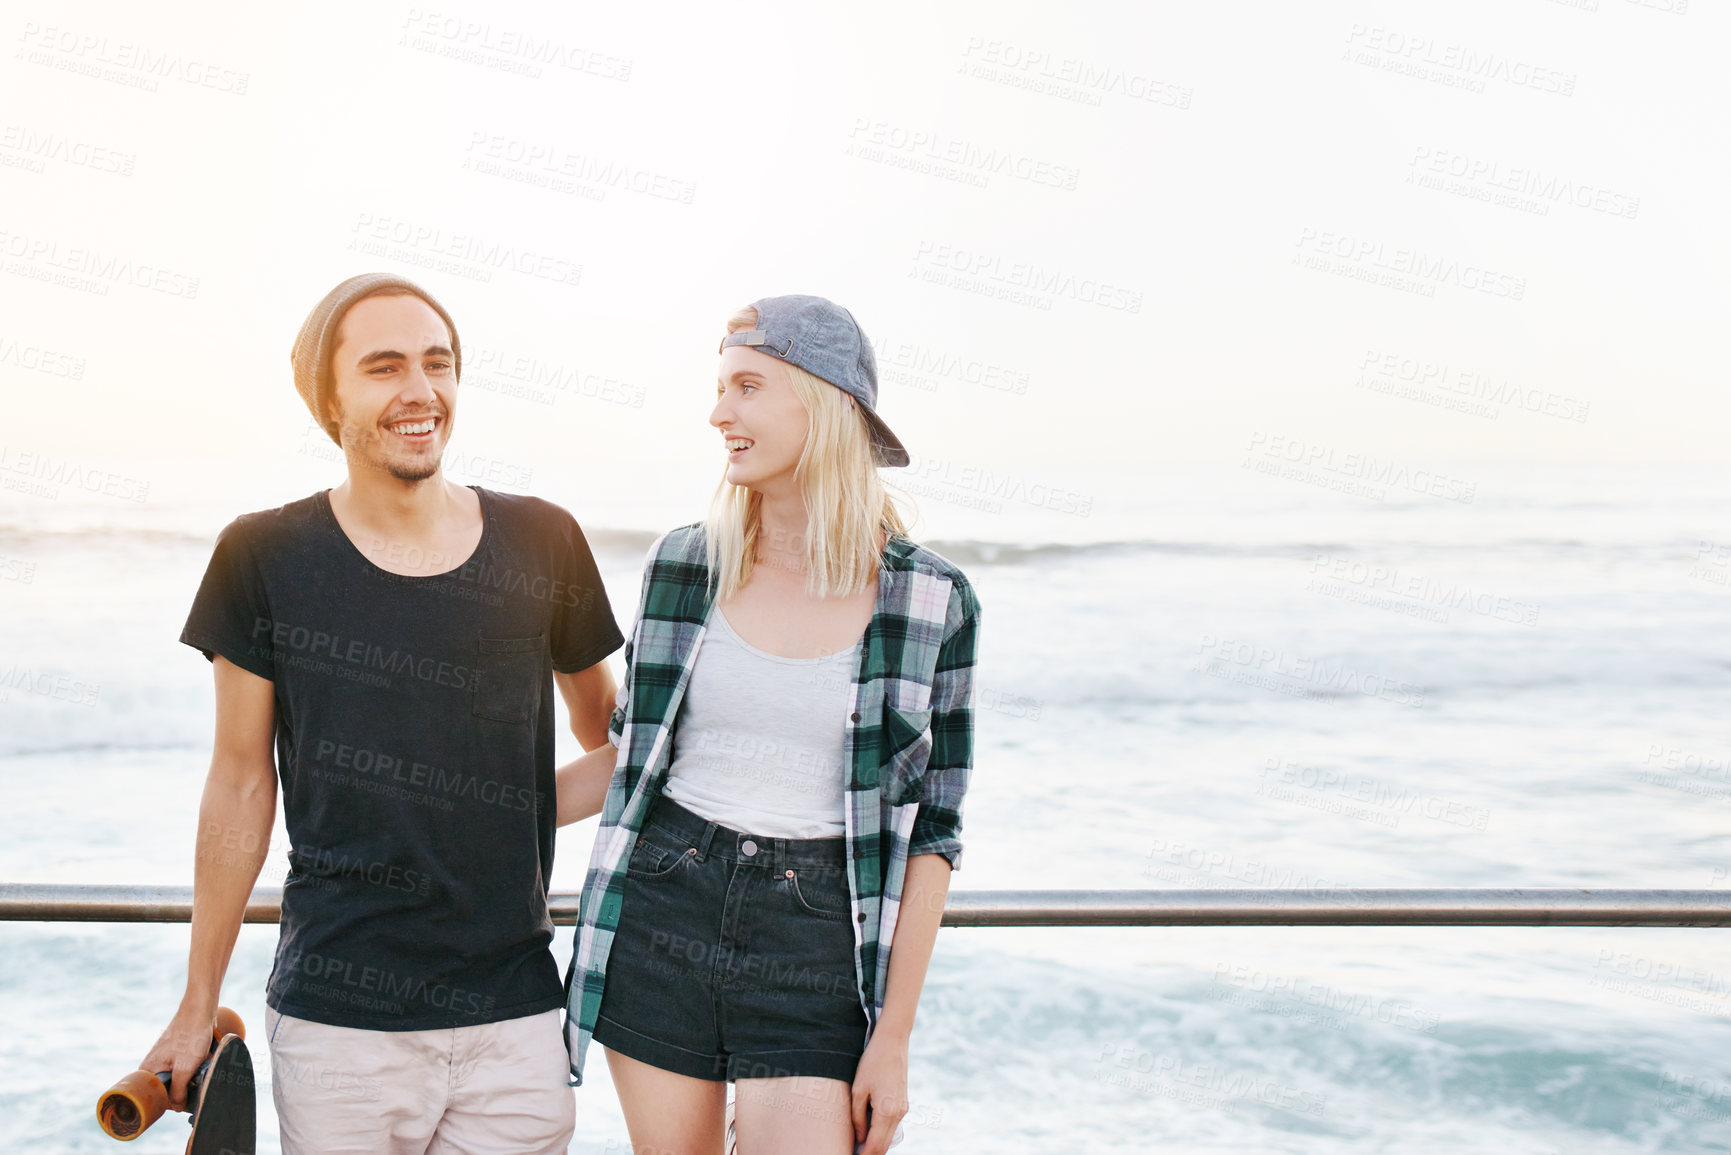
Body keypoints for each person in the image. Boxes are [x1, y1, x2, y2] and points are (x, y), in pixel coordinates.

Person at [143, 272, 624, 1154]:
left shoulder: (542, 538)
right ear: (327, 396)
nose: (420, 390)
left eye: (438, 363)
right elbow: (242, 784)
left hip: (515, 1015)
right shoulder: (262, 554)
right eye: (384, 366)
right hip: (340, 1027)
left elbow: (619, 745)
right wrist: (192, 1004)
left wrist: (498, 803)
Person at [555, 295, 981, 1155]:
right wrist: (459, 810)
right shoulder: (684, 564)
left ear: (822, 406)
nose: (719, 413)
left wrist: (890, 1039)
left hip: (818, 941)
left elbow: (932, 831)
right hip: (662, 906)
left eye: (746, 386)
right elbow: (630, 760)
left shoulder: (933, 601)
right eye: (720, 388)